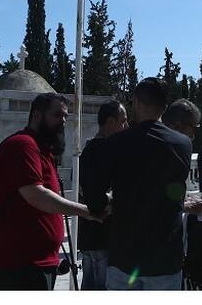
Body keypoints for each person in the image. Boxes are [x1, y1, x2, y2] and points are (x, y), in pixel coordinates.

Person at [84, 80, 202, 291]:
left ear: (137, 103)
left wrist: (108, 203)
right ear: (164, 107)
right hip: (165, 258)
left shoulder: (116, 143)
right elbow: (174, 194)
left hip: (124, 256)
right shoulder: (182, 144)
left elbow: (94, 196)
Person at [0, 93, 99, 290]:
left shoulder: (41, 150)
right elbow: (35, 194)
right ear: (36, 116)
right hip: (16, 266)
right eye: (57, 115)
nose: (63, 121)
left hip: (35, 264)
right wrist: (86, 211)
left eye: (65, 117)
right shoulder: (23, 145)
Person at [77, 99, 128, 290]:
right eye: (123, 121)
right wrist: (118, 200)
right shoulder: (104, 150)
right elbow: (95, 195)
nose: (126, 126)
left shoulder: (90, 150)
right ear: (110, 122)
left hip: (90, 235)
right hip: (102, 235)